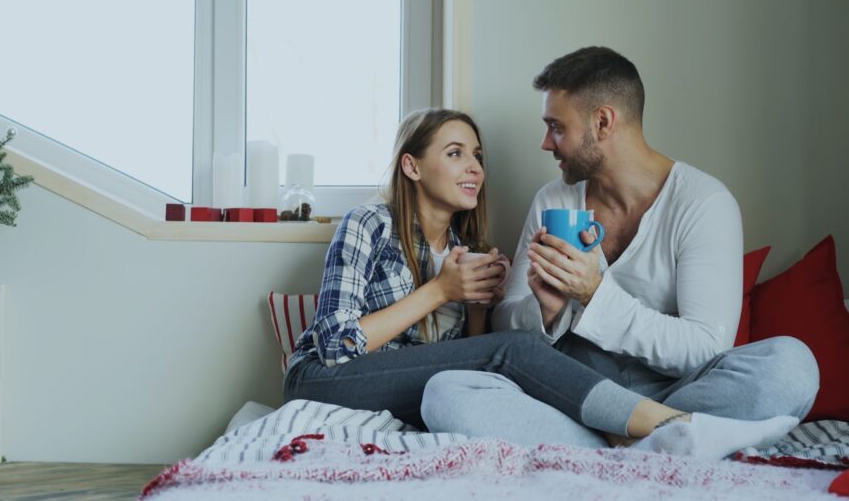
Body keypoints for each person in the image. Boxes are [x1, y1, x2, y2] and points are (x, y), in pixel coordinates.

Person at [284, 107, 799, 460]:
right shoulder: (368, 223)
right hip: (324, 380)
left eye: (478, 156)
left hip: (408, 387)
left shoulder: (468, 248)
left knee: (789, 366)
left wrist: (482, 302)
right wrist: (440, 292)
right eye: (456, 153)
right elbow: (334, 346)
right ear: (411, 165)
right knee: (514, 350)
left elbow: (469, 361)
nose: (474, 168)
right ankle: (669, 427)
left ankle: (619, 442)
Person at [420, 47, 819, 451]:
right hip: (574, 398)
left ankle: (619, 442)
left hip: (675, 395)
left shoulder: (703, 203)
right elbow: (506, 329)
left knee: (793, 366)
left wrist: (594, 294)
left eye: (556, 127)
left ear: (603, 121)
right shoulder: (554, 201)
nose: (545, 143)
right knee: (445, 391)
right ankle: (659, 442)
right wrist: (545, 310)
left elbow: (704, 349)